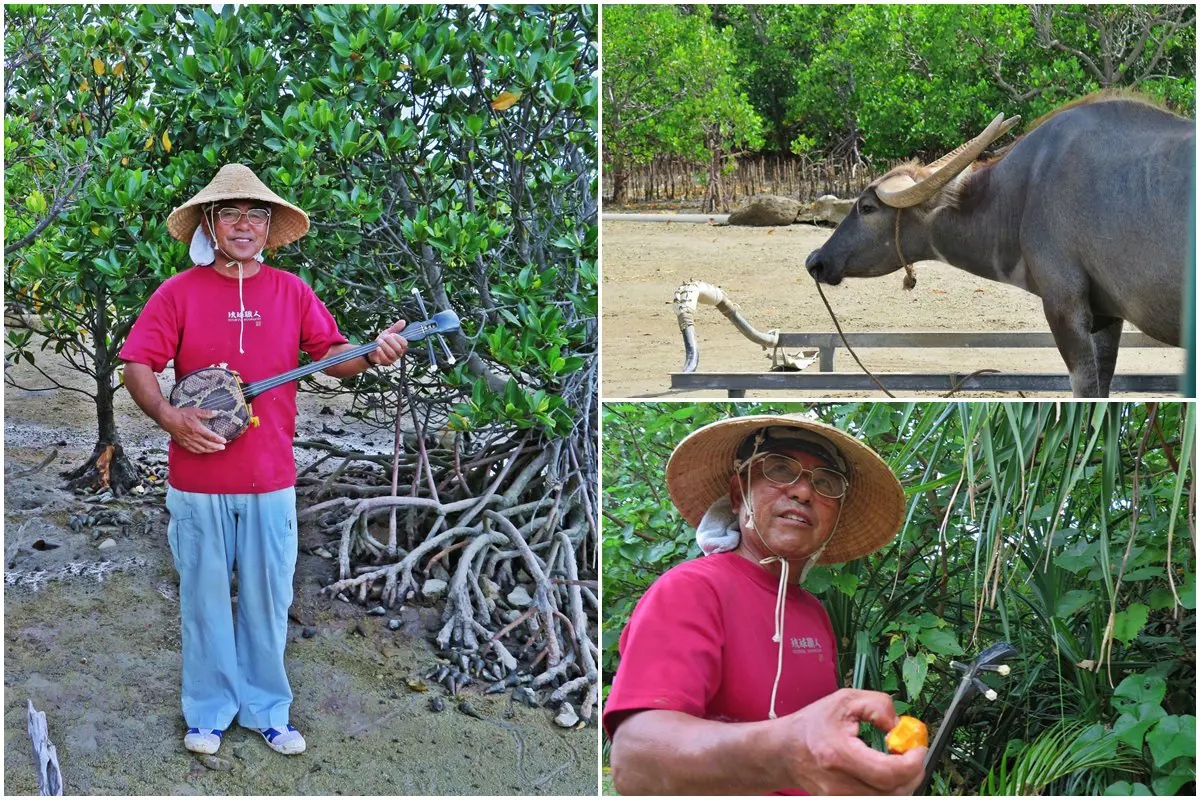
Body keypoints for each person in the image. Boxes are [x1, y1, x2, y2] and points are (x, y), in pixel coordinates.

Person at [120, 164, 409, 756]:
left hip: (271, 478)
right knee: (202, 597)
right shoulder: (178, 293)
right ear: (210, 222)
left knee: (267, 599)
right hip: (197, 480)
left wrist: (374, 354)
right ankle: (207, 712)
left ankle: (267, 710)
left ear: (269, 226)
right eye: (231, 213)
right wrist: (172, 419)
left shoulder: (292, 291)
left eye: (255, 214)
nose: (244, 224)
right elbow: (138, 364)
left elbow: (334, 355)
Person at [604, 412, 927, 795]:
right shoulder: (691, 589)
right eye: (779, 470)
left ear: (834, 516)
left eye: (825, 483)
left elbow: (811, 756)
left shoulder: (813, 612)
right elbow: (635, 761)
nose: (804, 492)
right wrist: (787, 751)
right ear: (738, 495)